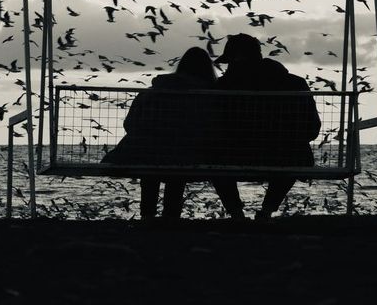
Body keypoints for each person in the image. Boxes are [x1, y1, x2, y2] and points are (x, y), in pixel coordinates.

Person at [211, 33, 321, 220]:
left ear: (237, 59)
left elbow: (210, 128)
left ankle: (236, 213)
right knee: (296, 153)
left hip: (233, 155)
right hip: (284, 156)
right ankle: (267, 210)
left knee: (212, 154)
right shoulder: (295, 83)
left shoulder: (219, 87)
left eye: (229, 62)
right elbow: (312, 128)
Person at [102, 46, 217, 219]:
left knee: (150, 168)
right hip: (185, 153)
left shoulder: (150, 92)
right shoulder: (207, 95)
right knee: (176, 170)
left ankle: (147, 217)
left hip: (146, 152)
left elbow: (129, 123)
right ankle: (171, 218)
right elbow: (209, 127)